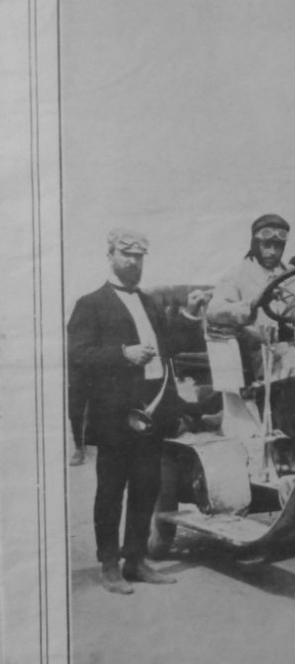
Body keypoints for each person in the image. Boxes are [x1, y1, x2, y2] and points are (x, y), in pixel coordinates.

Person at [67, 229, 189, 594]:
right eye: (126, 254)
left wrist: (190, 314)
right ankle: (109, 566)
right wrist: (124, 354)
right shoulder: (91, 303)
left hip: (150, 411)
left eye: (139, 256)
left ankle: (135, 560)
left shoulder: (150, 302)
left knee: (146, 487)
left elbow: (171, 348)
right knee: (110, 490)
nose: (133, 262)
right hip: (114, 414)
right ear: (110, 255)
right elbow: (78, 355)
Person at [206, 213, 291, 334]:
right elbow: (213, 312)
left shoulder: (292, 273)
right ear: (255, 244)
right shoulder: (236, 275)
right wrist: (252, 305)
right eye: (267, 245)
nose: (272, 252)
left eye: (278, 246)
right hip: (254, 346)